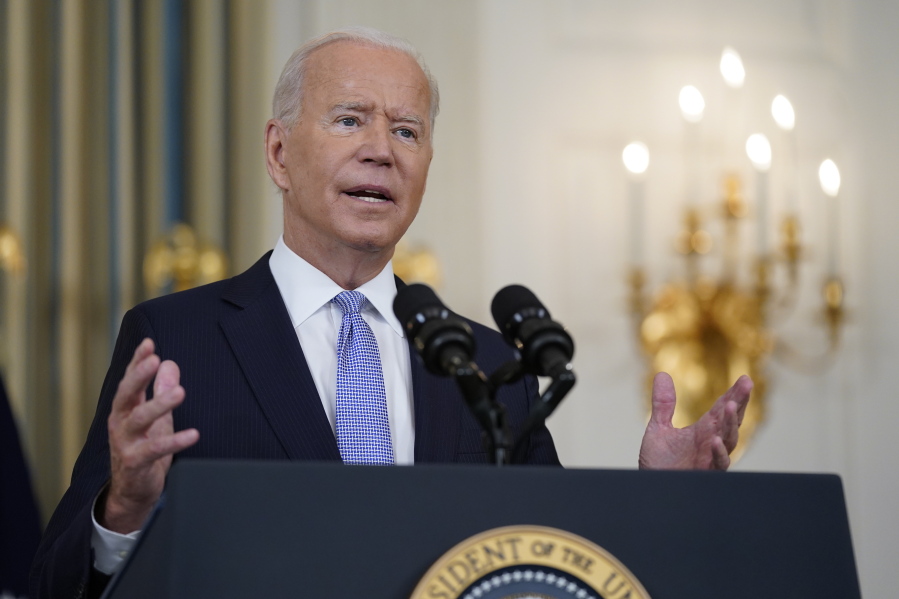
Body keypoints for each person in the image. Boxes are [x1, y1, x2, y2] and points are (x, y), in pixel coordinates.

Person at [30, 27, 752, 598]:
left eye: (407, 131)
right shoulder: (177, 337)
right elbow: (55, 578)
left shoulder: (488, 362)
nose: (381, 150)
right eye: (349, 121)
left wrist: (663, 503)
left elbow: (544, 559)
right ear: (279, 153)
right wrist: (122, 508)